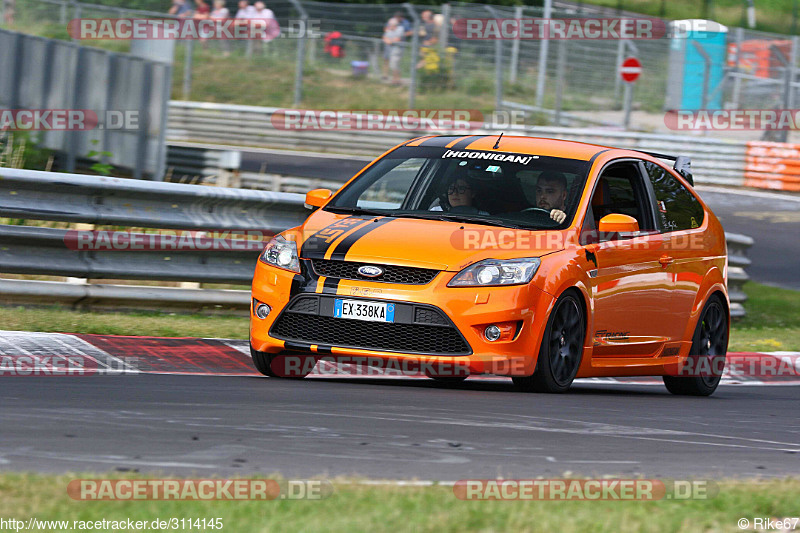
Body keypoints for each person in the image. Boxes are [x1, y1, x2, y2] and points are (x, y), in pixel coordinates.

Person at [382, 18, 404, 85]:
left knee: (394, 65)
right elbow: (384, 38)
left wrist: (390, 41)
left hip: (397, 50)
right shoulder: (389, 30)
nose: (389, 26)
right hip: (391, 50)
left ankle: (397, 80)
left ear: (394, 25)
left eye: (390, 25)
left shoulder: (400, 29)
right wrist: (390, 41)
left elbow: (398, 39)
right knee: (393, 65)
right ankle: (396, 79)